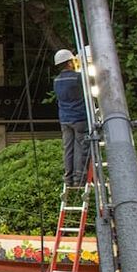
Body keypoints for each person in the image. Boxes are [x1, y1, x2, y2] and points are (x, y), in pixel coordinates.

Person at [53, 49, 89, 187]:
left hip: (64, 119)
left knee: (68, 148)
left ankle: (68, 178)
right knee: (80, 147)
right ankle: (79, 178)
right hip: (79, 118)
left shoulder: (56, 81)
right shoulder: (78, 77)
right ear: (69, 62)